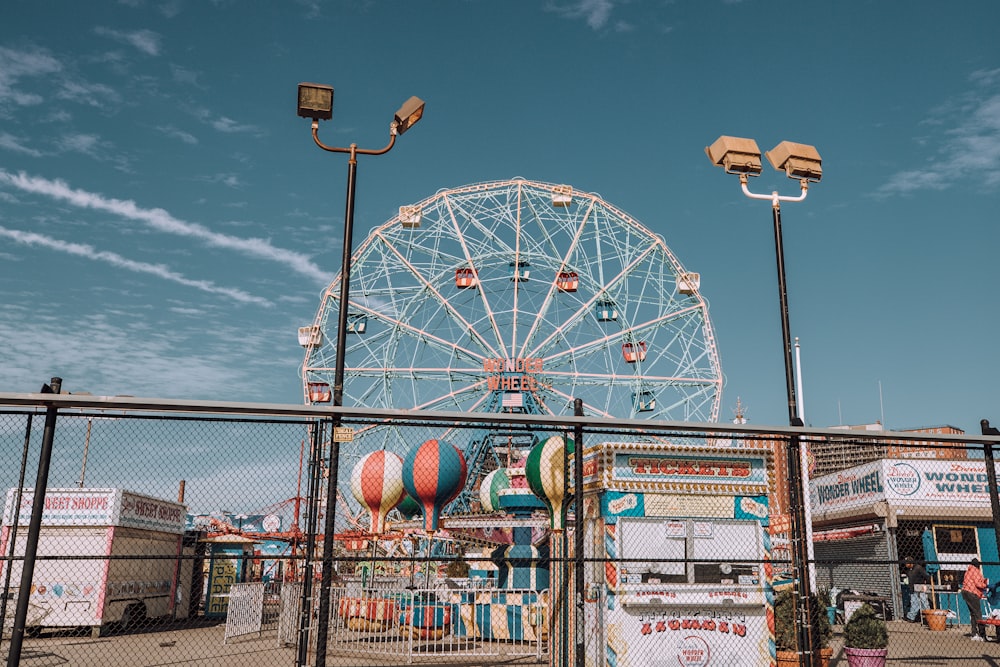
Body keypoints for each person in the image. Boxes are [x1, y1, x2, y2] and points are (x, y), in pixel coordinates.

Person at [961, 557, 989, 641]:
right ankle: (982, 634)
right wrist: (985, 585)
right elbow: (978, 584)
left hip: (965, 592)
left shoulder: (968, 571)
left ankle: (974, 633)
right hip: (972, 593)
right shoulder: (976, 571)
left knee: (973, 613)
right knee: (978, 614)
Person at [905, 557, 931, 623]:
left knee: (924, 603)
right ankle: (911, 618)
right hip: (913, 589)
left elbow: (926, 576)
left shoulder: (918, 568)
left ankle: (928, 617)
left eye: (906, 563)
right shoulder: (909, 570)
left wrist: (926, 585)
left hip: (920, 588)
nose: (905, 564)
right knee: (914, 604)